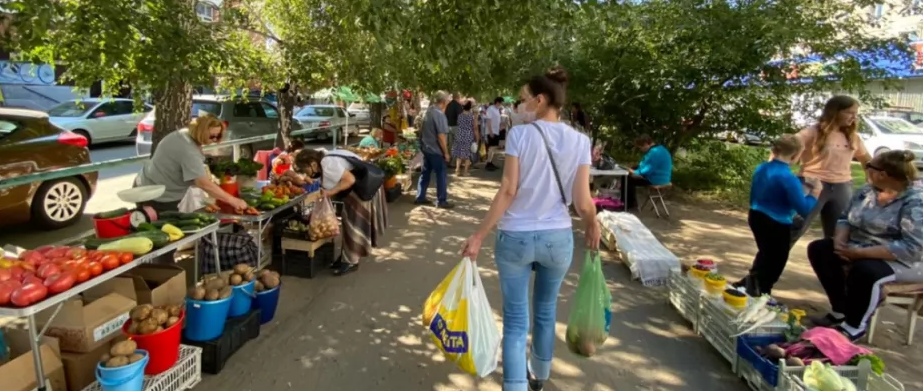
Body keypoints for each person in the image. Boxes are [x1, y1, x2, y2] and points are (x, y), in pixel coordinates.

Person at [459, 66, 600, 391]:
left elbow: (508, 189)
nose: (517, 107)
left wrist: (479, 235)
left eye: (522, 100)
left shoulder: (520, 136)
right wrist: (592, 223)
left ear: (539, 100)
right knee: (546, 311)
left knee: (515, 321)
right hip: (557, 239)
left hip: (515, 239)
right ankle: (541, 375)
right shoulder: (580, 141)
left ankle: (515, 385)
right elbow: (583, 202)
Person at [806, 150, 923, 341]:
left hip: (906, 260)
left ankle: (854, 326)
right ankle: (840, 310)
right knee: (820, 249)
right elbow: (845, 218)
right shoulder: (867, 191)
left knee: (866, 270)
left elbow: (912, 248)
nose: (866, 168)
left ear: (882, 174)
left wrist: (860, 253)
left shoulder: (915, 201)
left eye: (869, 166)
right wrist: (840, 241)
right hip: (859, 247)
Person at [741, 135, 820, 295]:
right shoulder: (788, 177)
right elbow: (803, 208)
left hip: (756, 214)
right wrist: (815, 194)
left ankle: (752, 285)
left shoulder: (762, 168)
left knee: (765, 254)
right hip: (777, 223)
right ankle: (762, 291)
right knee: (776, 261)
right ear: (795, 156)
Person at [789, 95, 871, 245]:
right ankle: (767, 266)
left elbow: (867, 160)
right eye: (849, 112)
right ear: (835, 112)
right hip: (811, 184)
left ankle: (832, 267)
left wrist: (872, 178)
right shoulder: (812, 132)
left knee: (839, 235)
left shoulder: (852, 137)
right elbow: (786, 147)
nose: (854, 117)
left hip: (842, 186)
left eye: (856, 113)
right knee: (793, 229)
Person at [293, 148, 388, 276]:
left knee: (353, 224)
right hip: (364, 188)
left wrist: (330, 192)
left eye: (306, 170)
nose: (307, 174)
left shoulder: (328, 163)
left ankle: (351, 261)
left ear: (313, 163)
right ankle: (346, 256)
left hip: (362, 190)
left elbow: (350, 180)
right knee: (348, 222)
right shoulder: (327, 157)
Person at [135, 115, 248, 213]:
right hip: (156, 196)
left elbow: (191, 176)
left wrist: (204, 200)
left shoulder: (184, 134)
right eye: (212, 136)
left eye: (217, 136)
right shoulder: (188, 150)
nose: (214, 140)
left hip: (150, 186)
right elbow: (203, 183)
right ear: (201, 132)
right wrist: (233, 200)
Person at [415, 91, 453, 208]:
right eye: (447, 100)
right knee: (440, 175)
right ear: (444, 101)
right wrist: (446, 152)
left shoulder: (428, 111)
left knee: (425, 173)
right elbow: (441, 136)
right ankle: (441, 200)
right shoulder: (438, 114)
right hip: (436, 150)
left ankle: (420, 196)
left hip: (426, 148)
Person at [625, 135, 673, 210]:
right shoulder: (660, 149)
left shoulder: (654, 152)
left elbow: (647, 170)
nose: (641, 150)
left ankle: (630, 205)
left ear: (646, 144)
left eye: (641, 147)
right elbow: (646, 165)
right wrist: (635, 169)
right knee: (633, 169)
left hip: (656, 179)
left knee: (628, 179)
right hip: (664, 178)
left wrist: (635, 172)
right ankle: (628, 202)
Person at [451, 101, 480, 176]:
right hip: (468, 135)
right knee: (467, 154)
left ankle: (457, 170)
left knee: (459, 153)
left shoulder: (460, 116)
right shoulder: (472, 116)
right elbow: (475, 128)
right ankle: (465, 172)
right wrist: (477, 138)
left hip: (459, 135)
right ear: (470, 108)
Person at [485, 97, 504, 171]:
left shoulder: (496, 110)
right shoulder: (491, 109)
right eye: (501, 103)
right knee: (492, 147)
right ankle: (488, 162)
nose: (501, 104)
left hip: (496, 131)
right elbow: (489, 120)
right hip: (492, 131)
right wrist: (490, 131)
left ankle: (490, 162)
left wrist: (499, 127)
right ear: (497, 102)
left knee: (494, 147)